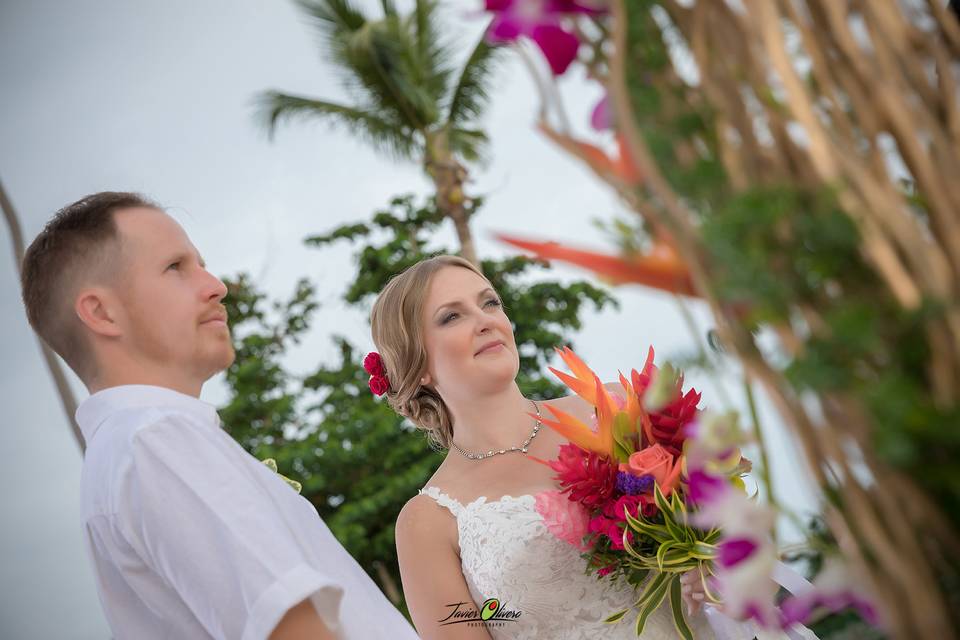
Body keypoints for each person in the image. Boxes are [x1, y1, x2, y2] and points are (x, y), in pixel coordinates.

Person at [20, 192, 419, 640]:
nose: (215, 285)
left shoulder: (129, 451)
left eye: (201, 263)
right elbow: (291, 628)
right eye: (175, 267)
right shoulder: (156, 439)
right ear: (101, 312)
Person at [369, 255, 714, 639]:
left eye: (490, 303)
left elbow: (735, 528)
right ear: (418, 366)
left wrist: (710, 559)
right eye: (452, 316)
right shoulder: (426, 522)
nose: (486, 321)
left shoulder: (614, 409)